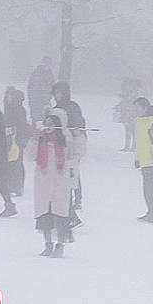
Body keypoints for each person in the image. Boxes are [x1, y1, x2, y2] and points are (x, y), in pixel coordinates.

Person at [32, 112, 76, 257]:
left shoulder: (64, 142)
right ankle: (48, 244)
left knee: (60, 216)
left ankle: (60, 245)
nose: (48, 126)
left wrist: (78, 137)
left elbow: (76, 154)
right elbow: (30, 155)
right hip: (43, 184)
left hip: (59, 183)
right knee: (45, 215)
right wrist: (34, 139)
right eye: (46, 123)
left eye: (51, 123)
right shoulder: (40, 141)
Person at [53, 80, 87, 221]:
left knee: (72, 173)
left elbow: (79, 124)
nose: (56, 95)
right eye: (55, 93)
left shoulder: (73, 107)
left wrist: (76, 134)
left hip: (72, 145)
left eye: (58, 92)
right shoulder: (56, 108)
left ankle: (76, 199)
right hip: (60, 145)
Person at [131, 97, 153, 222]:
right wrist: (137, 158)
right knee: (147, 189)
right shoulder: (139, 122)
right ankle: (150, 212)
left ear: (145, 108)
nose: (136, 110)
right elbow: (139, 143)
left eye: (137, 108)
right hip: (145, 161)